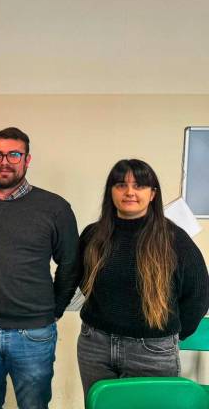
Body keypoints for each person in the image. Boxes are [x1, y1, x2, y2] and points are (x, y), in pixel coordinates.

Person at [0, 127, 80, 409]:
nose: (4, 161)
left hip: (33, 334)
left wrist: (53, 311)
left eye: (14, 154)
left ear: (27, 160)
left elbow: (71, 264)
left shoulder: (55, 208)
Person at [75, 159, 209, 397]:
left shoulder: (175, 240)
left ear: (152, 194)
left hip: (151, 351)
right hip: (94, 346)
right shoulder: (92, 236)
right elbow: (87, 284)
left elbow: (198, 294)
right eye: (120, 185)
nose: (129, 192)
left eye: (139, 185)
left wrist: (168, 336)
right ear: (111, 192)